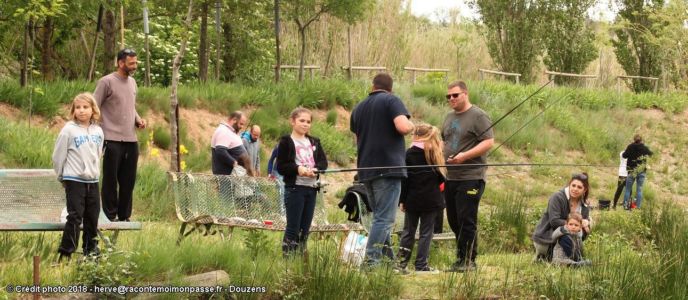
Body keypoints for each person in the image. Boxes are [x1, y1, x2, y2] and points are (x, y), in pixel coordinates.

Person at [350, 73, 414, 267]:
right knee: (384, 219)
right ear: (390, 88)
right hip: (388, 169)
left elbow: (357, 134)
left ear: (373, 86)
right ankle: (371, 262)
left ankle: (388, 263)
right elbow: (402, 127)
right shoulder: (391, 100)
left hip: (366, 170)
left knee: (380, 218)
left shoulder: (359, 107)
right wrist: (412, 125)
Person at [442, 81, 494, 272]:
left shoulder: (478, 116)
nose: (451, 99)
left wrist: (465, 156)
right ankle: (461, 258)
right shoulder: (448, 117)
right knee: (454, 219)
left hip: (471, 176)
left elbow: (488, 142)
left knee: (466, 218)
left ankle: (468, 260)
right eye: (448, 96)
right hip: (450, 176)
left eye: (455, 95)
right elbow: (445, 141)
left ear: (465, 94)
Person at [94, 48, 145, 222]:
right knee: (110, 180)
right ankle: (109, 216)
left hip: (131, 139)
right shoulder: (106, 82)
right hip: (111, 138)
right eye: (131, 63)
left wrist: (138, 119)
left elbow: (130, 106)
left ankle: (124, 216)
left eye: (136, 63)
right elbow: (94, 105)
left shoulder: (133, 83)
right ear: (120, 63)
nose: (135, 66)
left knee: (128, 180)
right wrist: (97, 130)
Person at [52, 93, 104, 261]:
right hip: (74, 180)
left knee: (92, 217)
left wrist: (95, 173)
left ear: (93, 109)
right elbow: (58, 155)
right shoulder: (69, 130)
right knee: (74, 217)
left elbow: (98, 155)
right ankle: (66, 253)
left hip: (93, 181)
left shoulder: (98, 131)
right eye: (78, 107)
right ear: (73, 111)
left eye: (85, 107)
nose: (81, 111)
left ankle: (91, 253)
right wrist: (62, 177)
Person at [276, 107, 328, 256]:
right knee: (293, 227)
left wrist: (316, 170)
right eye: (302, 121)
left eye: (308, 121)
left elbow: (323, 163)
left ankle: (299, 258)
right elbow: (281, 166)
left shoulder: (314, 141)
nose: (305, 124)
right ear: (292, 121)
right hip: (295, 189)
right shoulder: (286, 141)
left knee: (305, 229)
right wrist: (298, 169)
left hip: (311, 189)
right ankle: (287, 259)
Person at [396, 123, 446, 273]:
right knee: (426, 233)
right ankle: (421, 265)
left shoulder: (408, 154)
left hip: (412, 200)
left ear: (415, 136)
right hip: (431, 200)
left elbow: (404, 181)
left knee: (408, 232)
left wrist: (402, 200)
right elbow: (441, 179)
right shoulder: (434, 153)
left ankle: (401, 264)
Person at [532, 173, 592, 262]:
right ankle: (578, 261)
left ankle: (576, 259)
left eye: (579, 187)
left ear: (585, 190)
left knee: (574, 233)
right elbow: (554, 221)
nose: (575, 189)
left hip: (571, 242)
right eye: (573, 185)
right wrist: (576, 223)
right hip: (547, 240)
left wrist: (587, 224)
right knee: (565, 233)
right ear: (569, 185)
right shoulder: (557, 197)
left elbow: (583, 229)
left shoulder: (585, 205)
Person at [210, 111, 255, 176]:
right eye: (241, 124)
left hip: (234, 176)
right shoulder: (224, 131)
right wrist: (234, 163)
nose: (242, 127)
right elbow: (220, 150)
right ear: (234, 120)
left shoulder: (229, 131)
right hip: (226, 176)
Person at [622, 134, 653, 209]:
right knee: (639, 189)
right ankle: (638, 207)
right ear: (641, 140)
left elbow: (624, 155)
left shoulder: (630, 146)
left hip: (632, 170)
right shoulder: (644, 148)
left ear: (634, 140)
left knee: (628, 189)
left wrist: (628, 148)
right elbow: (651, 154)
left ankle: (625, 206)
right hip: (641, 171)